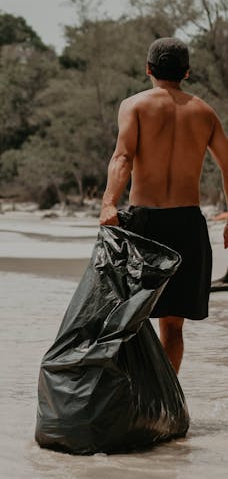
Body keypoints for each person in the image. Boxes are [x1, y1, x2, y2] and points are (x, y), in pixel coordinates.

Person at [99, 37, 228, 374]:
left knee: (128, 315)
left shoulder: (135, 106)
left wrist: (109, 202)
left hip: (145, 225)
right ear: (186, 72)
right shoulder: (204, 112)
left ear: (148, 69)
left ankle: (132, 399)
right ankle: (165, 402)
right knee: (172, 326)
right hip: (187, 224)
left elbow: (123, 157)